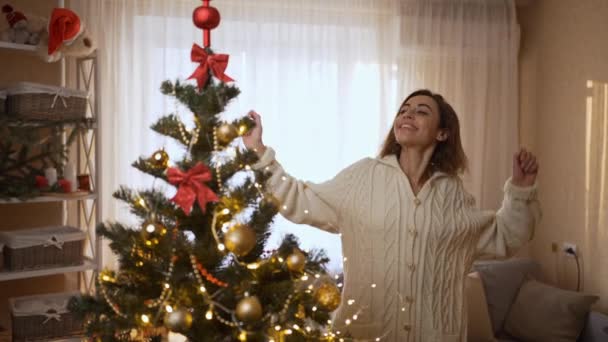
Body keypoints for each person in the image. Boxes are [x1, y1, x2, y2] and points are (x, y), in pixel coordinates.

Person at [243, 89, 541, 342]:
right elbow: (299, 199)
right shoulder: (362, 178)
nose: (408, 115)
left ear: (442, 132)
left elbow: (505, 236)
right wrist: (258, 151)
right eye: (404, 110)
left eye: (421, 111)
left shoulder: (454, 195)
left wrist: (521, 190)